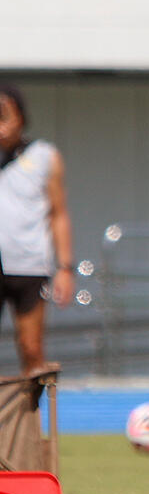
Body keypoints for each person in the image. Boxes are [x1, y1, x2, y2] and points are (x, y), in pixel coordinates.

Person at [0, 84, 74, 376]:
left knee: (31, 349)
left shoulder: (45, 156)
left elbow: (58, 214)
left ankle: (31, 419)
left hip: (29, 265)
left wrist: (65, 268)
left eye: (4, 116)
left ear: (21, 118)